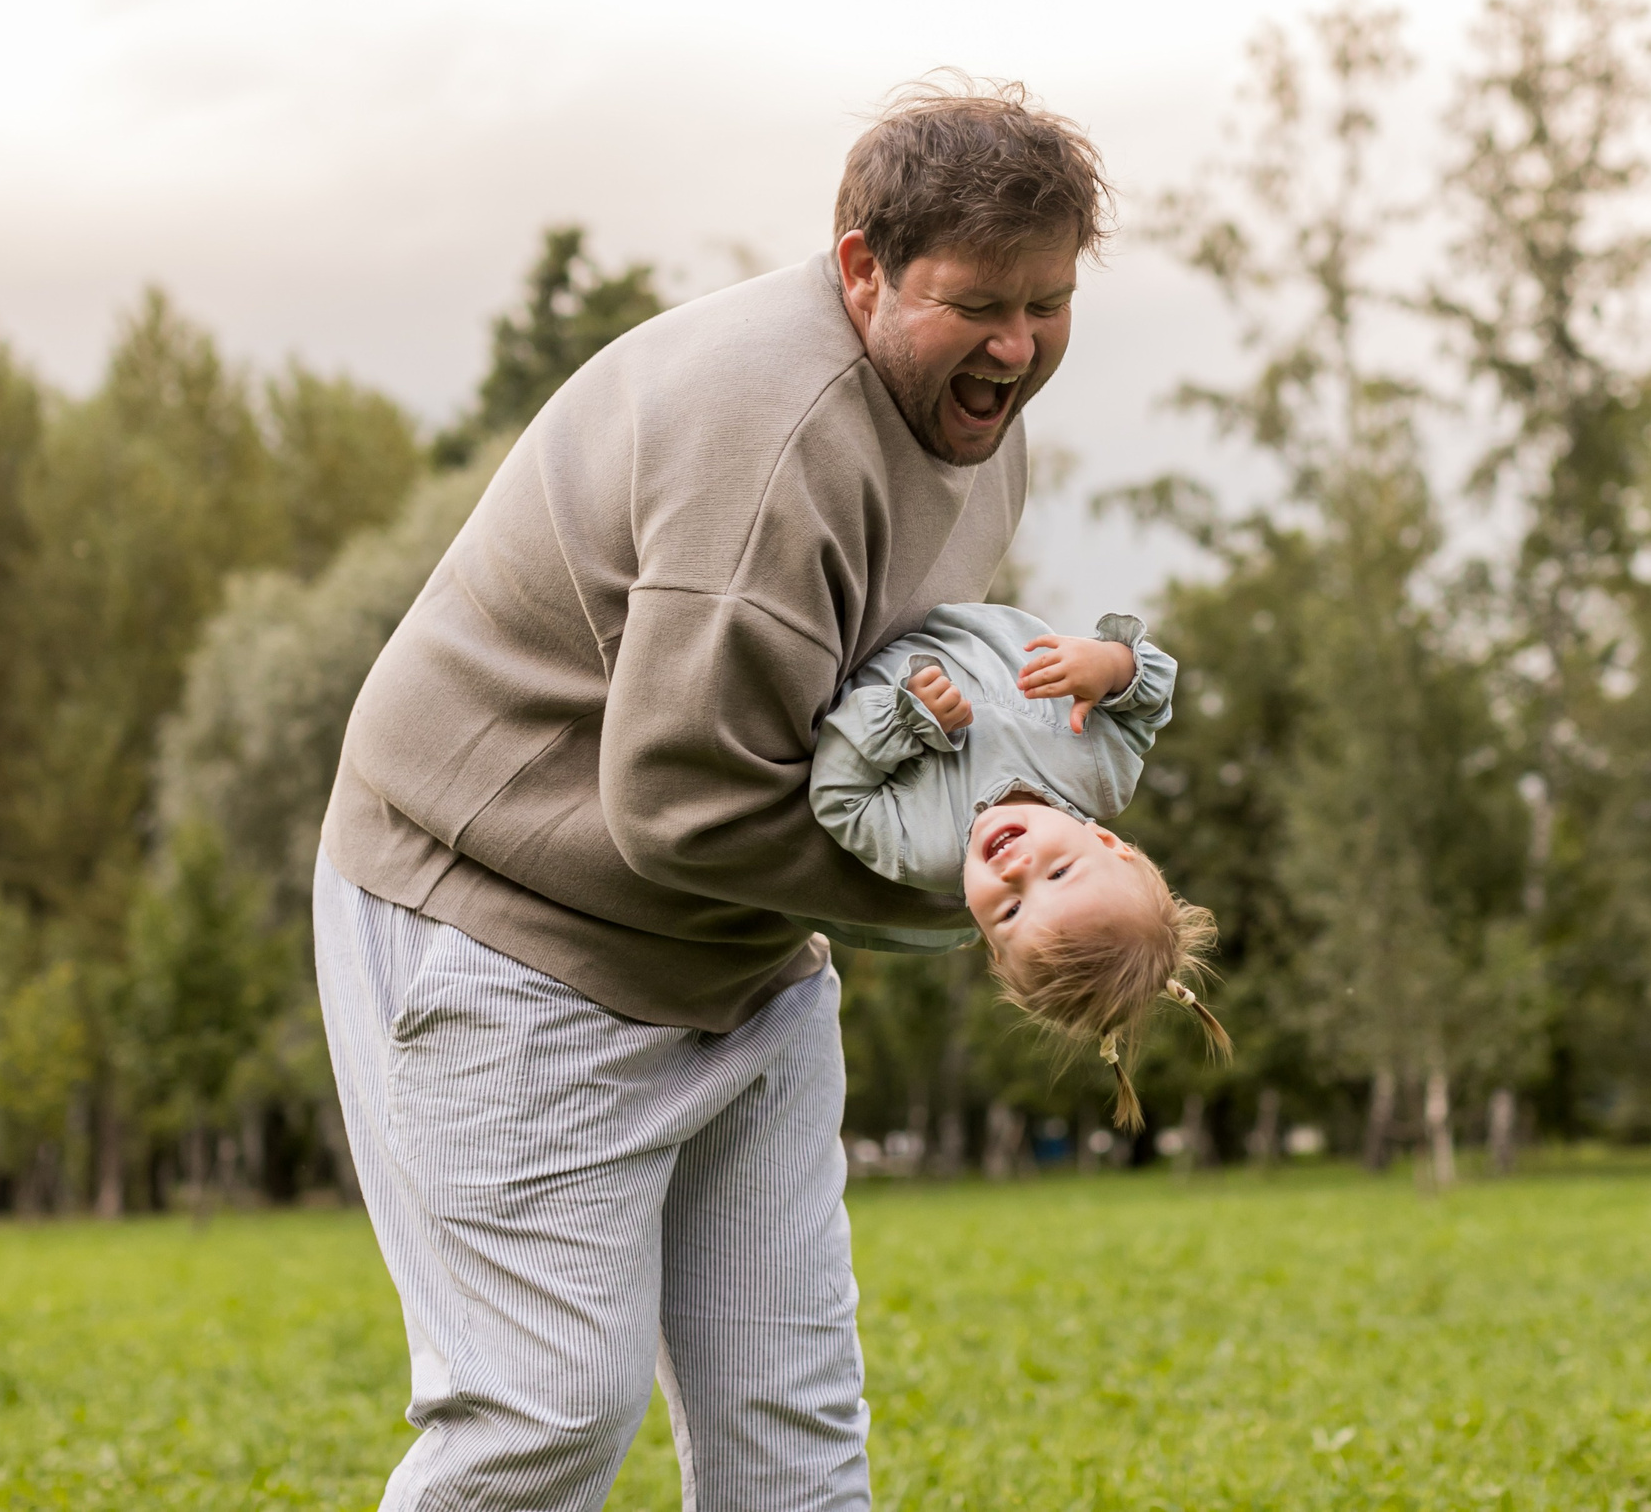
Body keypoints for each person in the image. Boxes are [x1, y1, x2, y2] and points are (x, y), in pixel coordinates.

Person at [313, 80, 1110, 1511]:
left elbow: (877, 710)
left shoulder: (968, 421)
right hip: (507, 922)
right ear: (862, 268)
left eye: (1048, 304)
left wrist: (1046, 808)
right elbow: (680, 801)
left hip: (738, 952)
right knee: (543, 1415)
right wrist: (967, 891)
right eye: (981, 303)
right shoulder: (772, 439)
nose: (1017, 346)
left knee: (789, 1436)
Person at [798, 602, 1230, 1131]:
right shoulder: (1102, 775)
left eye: (1010, 911)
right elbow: (1153, 697)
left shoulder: (922, 852)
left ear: (990, 942)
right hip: (948, 601)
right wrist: (1112, 666)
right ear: (1106, 841)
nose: (1015, 870)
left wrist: (904, 717)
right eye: (1059, 874)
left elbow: (839, 796)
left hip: (854, 642)